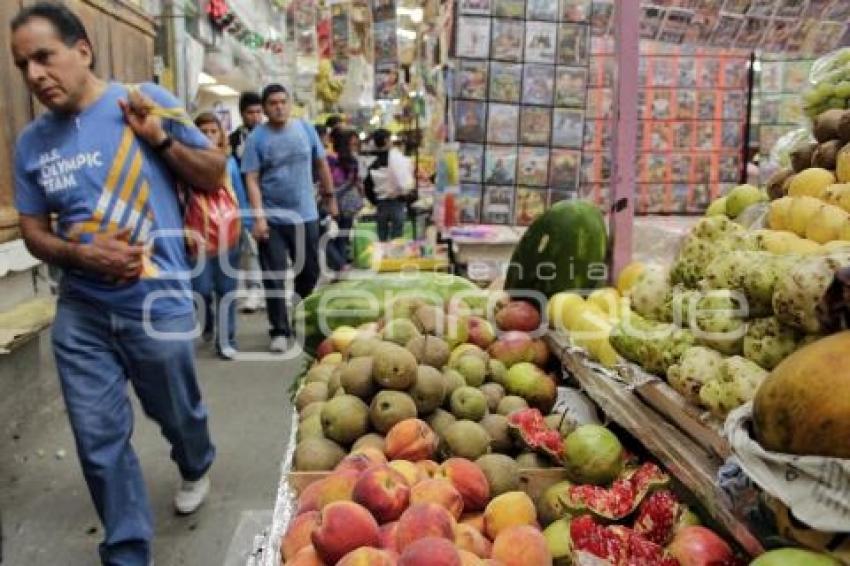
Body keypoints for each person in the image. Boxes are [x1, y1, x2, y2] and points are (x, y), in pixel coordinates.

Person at [10, 4, 220, 564]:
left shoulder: (143, 98)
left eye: (43, 57)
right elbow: (32, 231)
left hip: (158, 301)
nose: (34, 75)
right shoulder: (32, 144)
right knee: (99, 441)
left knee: (176, 411)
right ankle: (127, 551)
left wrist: (160, 140)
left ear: (83, 50)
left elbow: (214, 172)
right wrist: (80, 253)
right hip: (81, 309)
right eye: (22, 65)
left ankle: (195, 459)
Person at [242, 84, 337, 352]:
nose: (279, 107)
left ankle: (302, 319)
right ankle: (279, 330)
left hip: (306, 214)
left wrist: (330, 198)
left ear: (290, 103)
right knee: (273, 276)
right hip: (272, 217)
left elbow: (321, 164)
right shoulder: (256, 139)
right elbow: (251, 179)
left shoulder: (305, 130)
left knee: (309, 272)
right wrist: (258, 218)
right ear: (265, 108)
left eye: (283, 101)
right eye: (273, 103)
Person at [193, 112, 253, 359]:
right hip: (198, 235)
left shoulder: (228, 164)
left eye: (212, 131)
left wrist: (246, 223)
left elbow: (238, 193)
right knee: (202, 287)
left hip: (229, 233)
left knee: (226, 289)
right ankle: (208, 319)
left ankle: (226, 339)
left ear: (221, 135)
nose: (208, 135)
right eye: (202, 131)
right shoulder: (186, 161)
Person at [228, 91, 265, 312]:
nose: (255, 117)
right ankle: (254, 290)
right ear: (242, 114)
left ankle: (270, 292)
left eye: (259, 112)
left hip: (269, 201)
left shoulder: (271, 136)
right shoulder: (232, 140)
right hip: (243, 201)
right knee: (249, 248)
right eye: (250, 112)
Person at [365, 129, 415, 242]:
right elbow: (404, 182)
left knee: (381, 237)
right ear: (386, 140)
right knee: (396, 238)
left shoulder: (371, 160)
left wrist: (375, 201)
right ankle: (394, 258)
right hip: (396, 202)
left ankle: (381, 258)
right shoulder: (396, 159)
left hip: (380, 204)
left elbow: (367, 186)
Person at [327, 128, 364, 268]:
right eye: (352, 144)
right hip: (348, 204)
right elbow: (355, 181)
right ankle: (340, 266)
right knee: (342, 236)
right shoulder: (351, 160)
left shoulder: (329, 158)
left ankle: (339, 266)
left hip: (332, 202)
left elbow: (327, 180)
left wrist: (333, 195)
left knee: (329, 236)